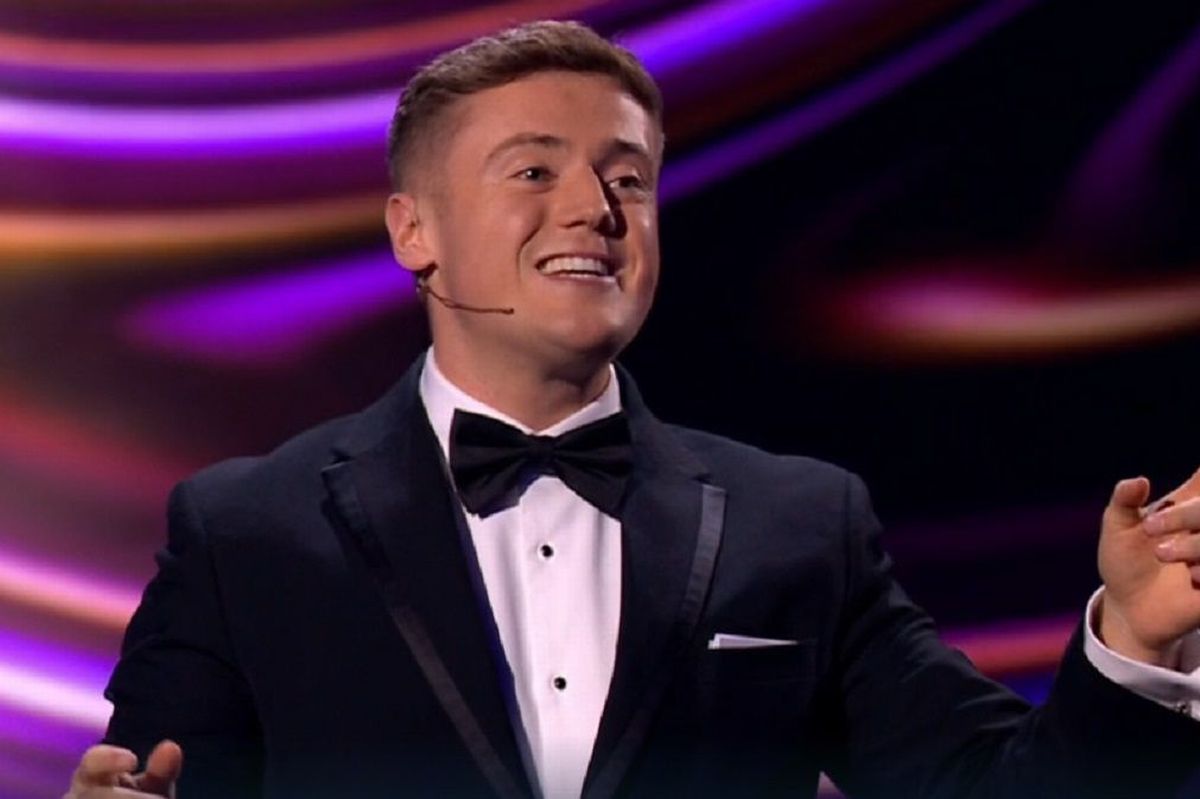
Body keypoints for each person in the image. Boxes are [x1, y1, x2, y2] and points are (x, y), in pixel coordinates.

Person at [66, 20, 1200, 799]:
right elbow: (154, 783)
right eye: (533, 171)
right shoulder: (244, 531)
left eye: (627, 177)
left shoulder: (800, 525)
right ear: (414, 230)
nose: (595, 209)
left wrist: (1136, 645)